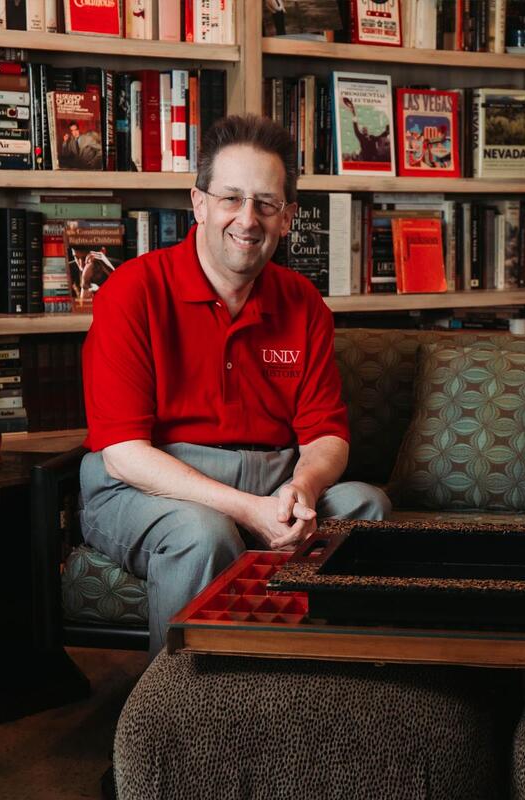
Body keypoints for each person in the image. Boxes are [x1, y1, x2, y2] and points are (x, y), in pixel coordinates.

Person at [78, 114, 391, 656]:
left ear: (288, 218)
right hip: (149, 486)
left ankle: (320, 695)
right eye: (231, 199)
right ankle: (177, 721)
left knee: (366, 505)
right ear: (198, 204)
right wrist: (246, 510)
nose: (248, 220)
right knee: (205, 533)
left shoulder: (303, 303)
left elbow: (325, 437)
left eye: (266, 204)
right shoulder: (133, 291)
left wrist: (304, 489)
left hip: (271, 481)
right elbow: (125, 454)